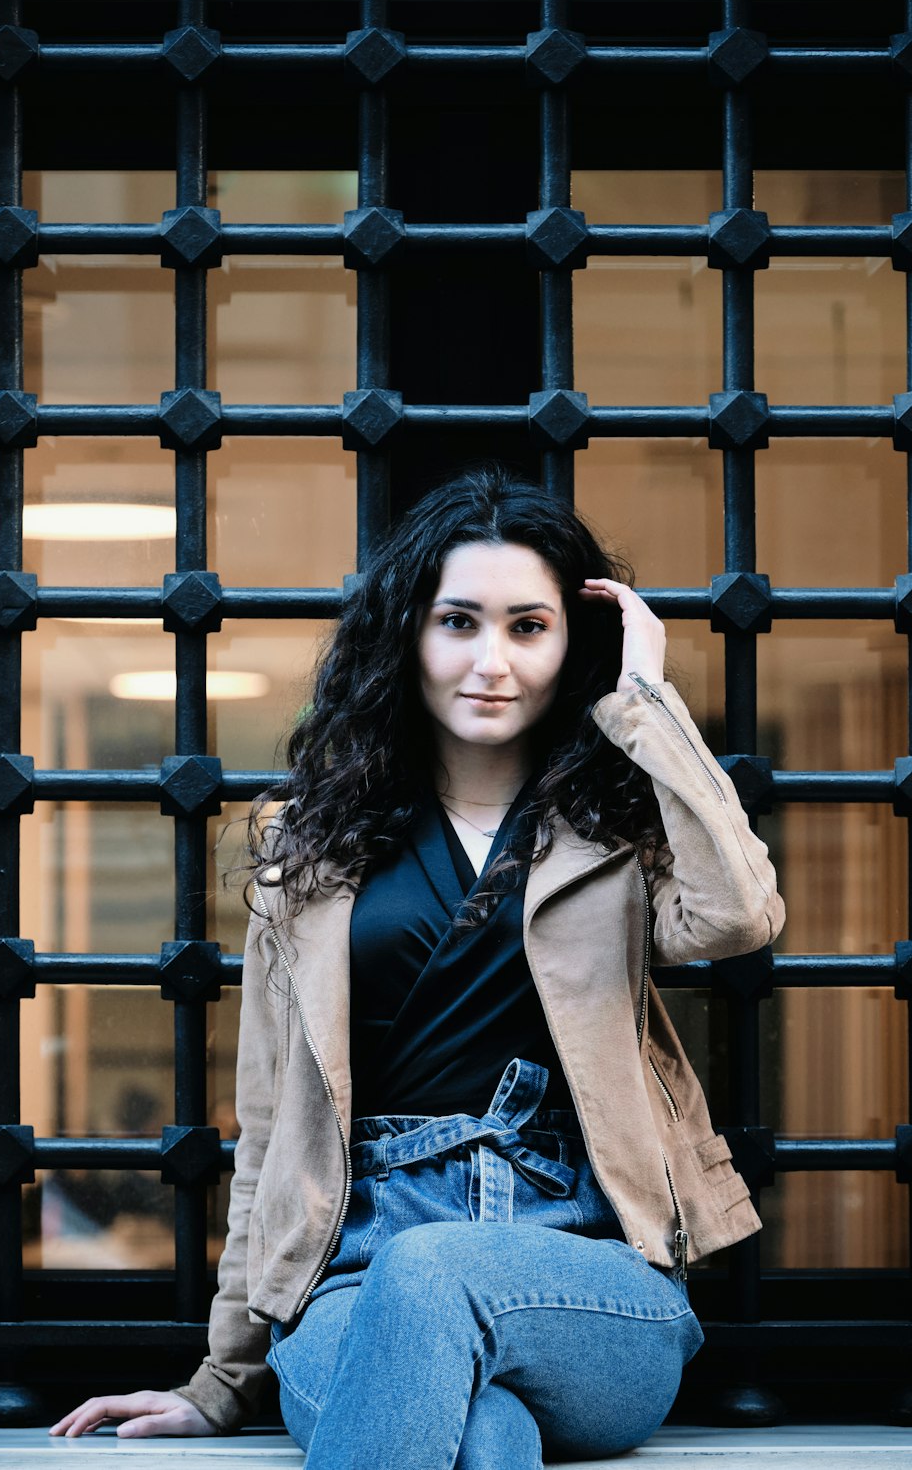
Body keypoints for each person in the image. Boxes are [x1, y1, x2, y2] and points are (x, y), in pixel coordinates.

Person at [51, 465, 784, 1466]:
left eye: (528, 626)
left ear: (573, 645)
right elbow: (270, 1128)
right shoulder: (309, 845)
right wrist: (220, 1385)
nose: (492, 660)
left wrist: (644, 699)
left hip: (586, 1274)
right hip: (352, 1276)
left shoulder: (618, 832)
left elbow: (739, 917)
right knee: (481, 1436)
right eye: (458, 623)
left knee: (434, 1271)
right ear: (408, 633)